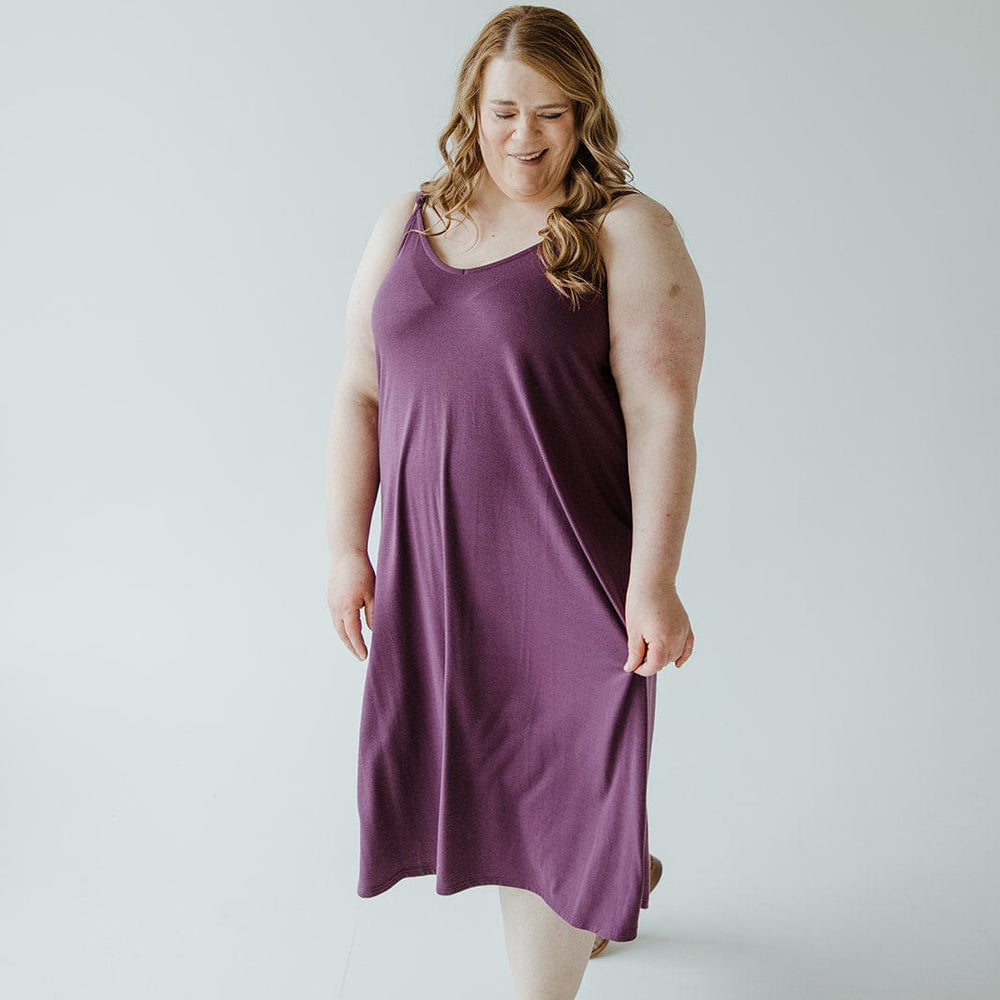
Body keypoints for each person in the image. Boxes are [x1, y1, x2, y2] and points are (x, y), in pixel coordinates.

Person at [325, 5, 704, 997]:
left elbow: (663, 413)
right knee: (507, 780)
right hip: (439, 575)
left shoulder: (623, 232)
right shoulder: (405, 221)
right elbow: (360, 390)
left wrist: (654, 583)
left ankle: (564, 942)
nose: (524, 136)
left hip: (566, 578)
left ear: (583, 115)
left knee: (555, 781)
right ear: (470, 108)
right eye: (503, 111)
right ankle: (613, 877)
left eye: (550, 112)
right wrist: (344, 548)